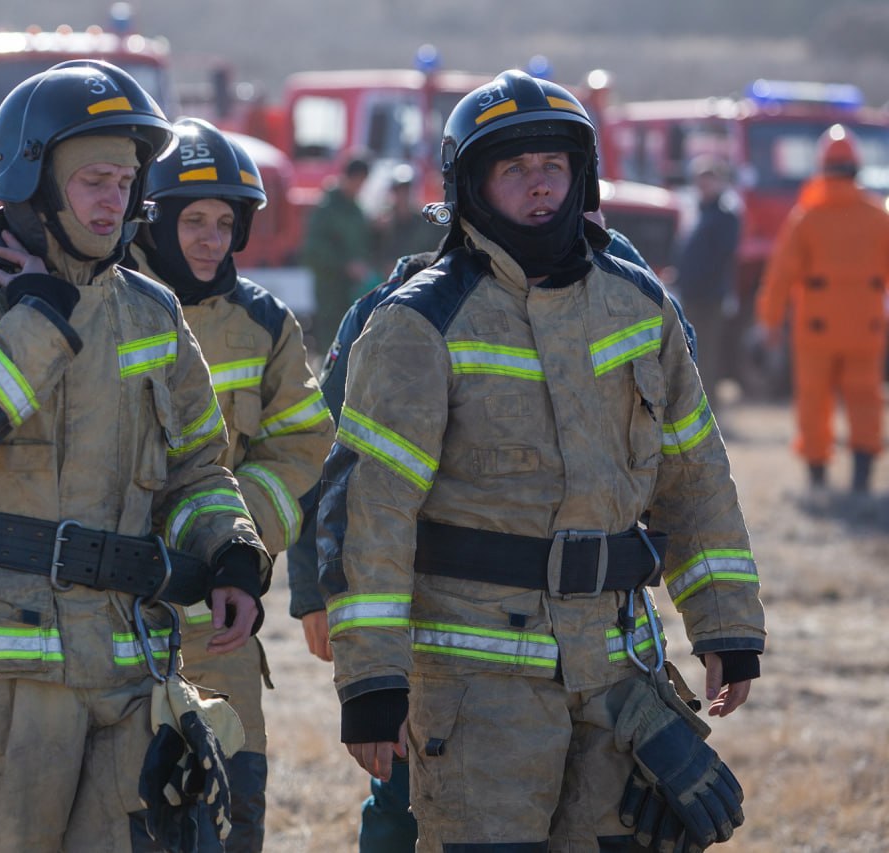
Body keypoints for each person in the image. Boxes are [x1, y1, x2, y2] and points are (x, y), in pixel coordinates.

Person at [315, 69, 766, 851]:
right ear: (472, 189)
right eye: (514, 169)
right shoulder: (418, 323)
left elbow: (695, 477)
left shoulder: (640, 305)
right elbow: (373, 513)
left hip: (620, 677)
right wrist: (372, 682)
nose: (538, 187)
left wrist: (726, 622)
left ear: (580, 176)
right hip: (476, 692)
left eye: (553, 167)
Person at [0, 60, 270, 852]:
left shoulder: (151, 312)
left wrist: (228, 549)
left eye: (125, 182)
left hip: (128, 669)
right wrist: (39, 318)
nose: (112, 200)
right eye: (92, 179)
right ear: (33, 179)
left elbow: (197, 467)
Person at [288, 216, 697, 853]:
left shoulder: (631, 298)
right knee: (407, 800)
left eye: (574, 188)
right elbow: (342, 472)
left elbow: (675, 449)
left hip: (597, 646)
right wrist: (314, 594)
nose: (555, 209)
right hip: (452, 644)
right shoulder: (407, 307)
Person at [126, 116, 335, 851]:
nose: (211, 238)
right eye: (193, 221)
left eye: (225, 222)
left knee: (228, 818)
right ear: (149, 221)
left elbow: (304, 442)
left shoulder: (265, 325)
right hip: (110, 621)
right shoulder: (101, 307)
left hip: (220, 624)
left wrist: (231, 538)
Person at [756, 123, 889, 494]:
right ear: (857, 167)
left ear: (821, 166)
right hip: (867, 327)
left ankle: (818, 478)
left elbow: (780, 275)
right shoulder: (879, 217)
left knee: (815, 401)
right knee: (865, 399)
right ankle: (861, 478)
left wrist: (769, 321)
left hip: (817, 329)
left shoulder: (807, 217)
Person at [671, 154, 740, 408]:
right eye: (700, 180)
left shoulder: (724, 216)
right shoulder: (697, 212)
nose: (704, 186)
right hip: (691, 294)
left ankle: (707, 405)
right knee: (690, 350)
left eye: (709, 180)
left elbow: (720, 257)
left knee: (706, 352)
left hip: (709, 297)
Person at [301, 153, 375, 353]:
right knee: (331, 345)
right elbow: (313, 250)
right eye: (357, 181)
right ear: (347, 178)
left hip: (353, 290)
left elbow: (361, 245)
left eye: (363, 183)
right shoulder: (326, 209)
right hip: (330, 290)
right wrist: (345, 265)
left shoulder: (357, 210)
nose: (359, 187)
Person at [371, 163, 445, 276]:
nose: (402, 195)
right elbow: (372, 253)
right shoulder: (382, 222)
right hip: (386, 280)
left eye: (406, 190)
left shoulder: (425, 222)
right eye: (398, 190)